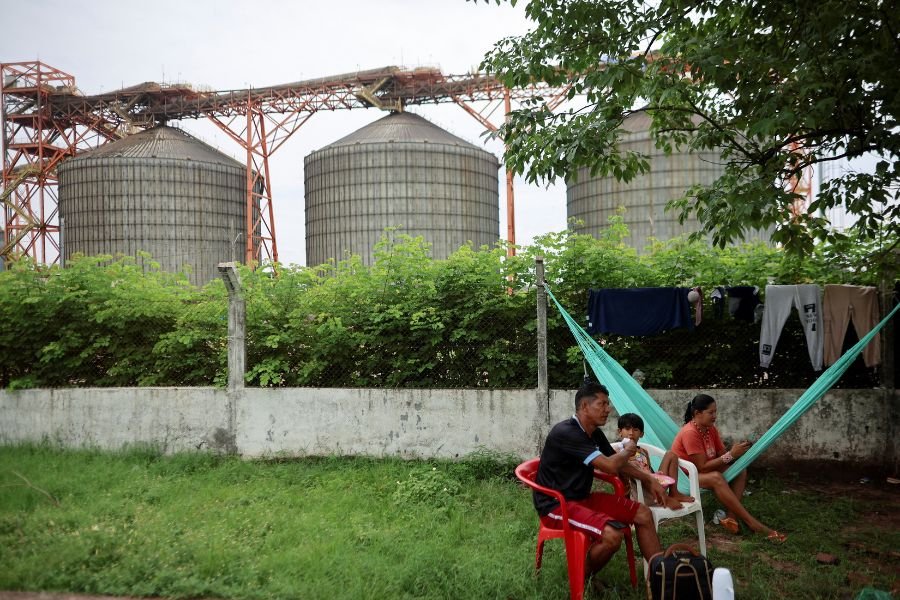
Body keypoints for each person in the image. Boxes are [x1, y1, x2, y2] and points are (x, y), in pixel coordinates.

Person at [534, 381, 666, 587]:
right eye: (602, 404)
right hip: (555, 505)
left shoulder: (594, 433)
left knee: (643, 514)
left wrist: (649, 478)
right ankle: (581, 578)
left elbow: (617, 463)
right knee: (612, 536)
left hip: (581, 499)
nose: (608, 409)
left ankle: (661, 578)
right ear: (585, 407)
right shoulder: (567, 432)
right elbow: (612, 466)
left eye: (608, 404)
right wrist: (629, 450)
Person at [671, 393, 787, 543]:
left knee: (740, 470)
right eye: (710, 412)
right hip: (686, 477)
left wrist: (738, 451)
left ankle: (731, 517)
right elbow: (702, 467)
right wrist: (731, 455)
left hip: (703, 471)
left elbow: (722, 455)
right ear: (697, 413)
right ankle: (753, 523)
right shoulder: (690, 433)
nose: (714, 416)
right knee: (716, 478)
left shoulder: (710, 429)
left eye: (715, 412)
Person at [613, 412, 695, 510]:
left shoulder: (643, 451)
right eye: (627, 429)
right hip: (638, 492)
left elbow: (648, 469)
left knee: (671, 454)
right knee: (634, 466)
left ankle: (674, 492)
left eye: (635, 430)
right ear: (619, 432)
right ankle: (662, 495)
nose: (631, 433)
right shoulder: (617, 451)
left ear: (642, 434)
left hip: (654, 487)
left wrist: (656, 474)